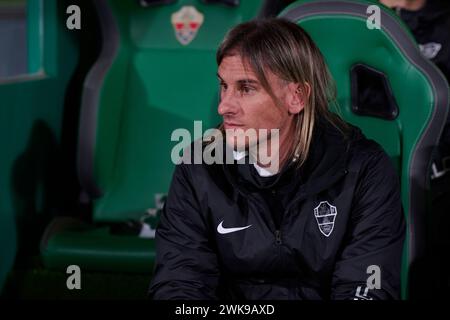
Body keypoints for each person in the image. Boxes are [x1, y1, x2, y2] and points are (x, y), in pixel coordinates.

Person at [148, 18, 405, 300]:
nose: (224, 106)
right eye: (224, 86)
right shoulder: (199, 167)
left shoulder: (365, 169)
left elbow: (366, 290)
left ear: (296, 97)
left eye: (246, 88)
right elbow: (179, 285)